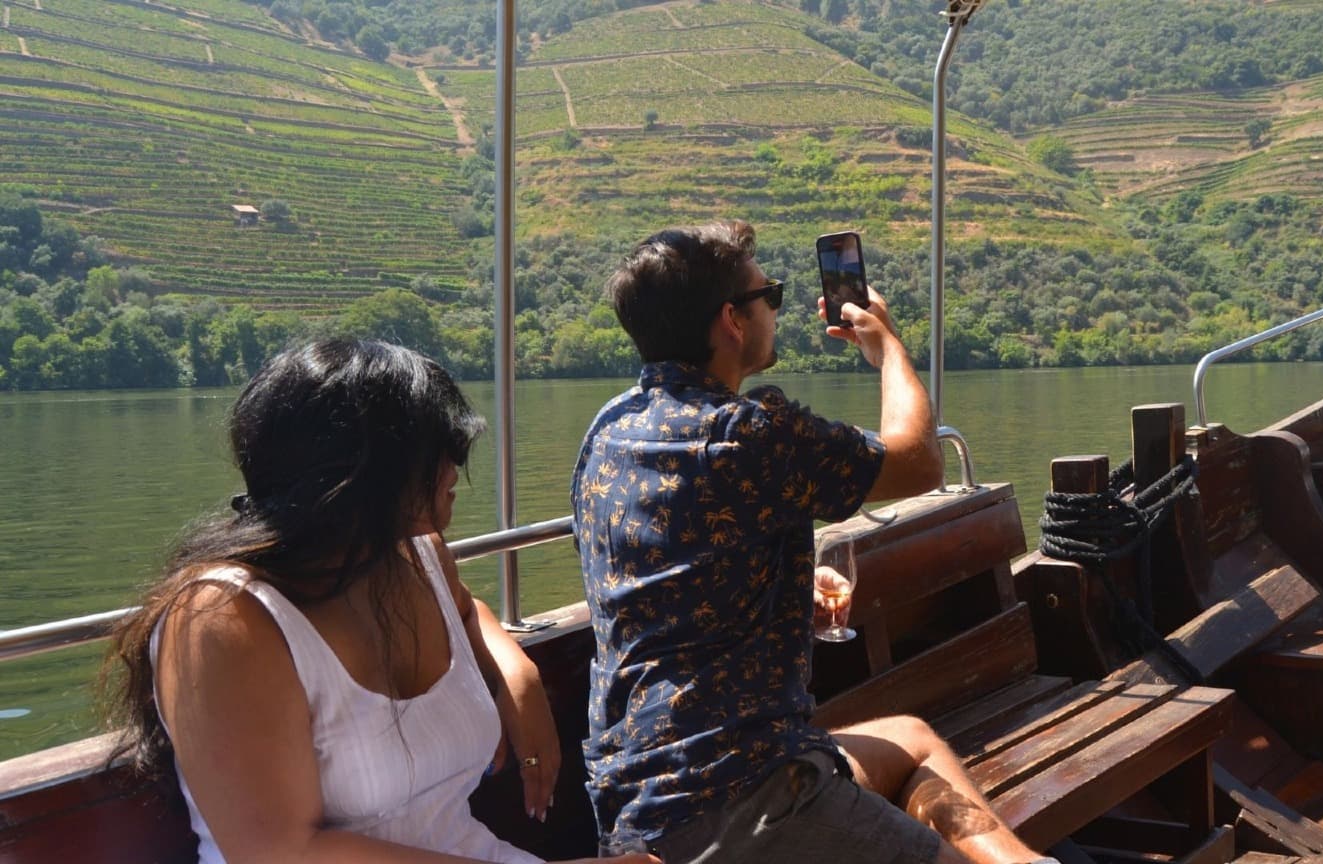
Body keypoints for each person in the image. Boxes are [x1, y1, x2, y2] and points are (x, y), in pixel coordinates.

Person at [571, 221, 1059, 864]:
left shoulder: (608, 433)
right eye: (768, 294)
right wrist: (887, 349)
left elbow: (673, 563)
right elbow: (918, 461)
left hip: (638, 800)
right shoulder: (747, 433)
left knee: (911, 738)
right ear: (732, 321)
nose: (776, 308)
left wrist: (788, 583)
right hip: (741, 798)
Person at [105, 340, 654, 864]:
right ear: (366, 471)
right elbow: (277, 853)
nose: (454, 469)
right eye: (437, 451)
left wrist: (519, 675)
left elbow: (466, 612)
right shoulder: (219, 618)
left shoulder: (416, 556)